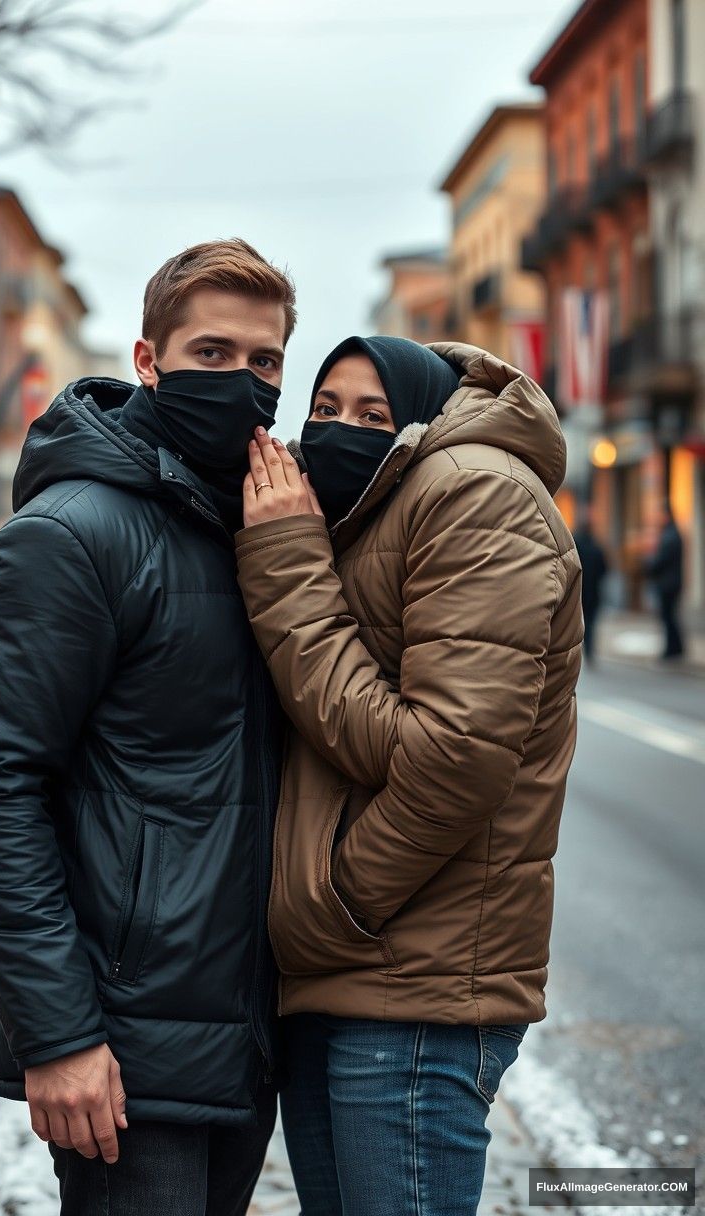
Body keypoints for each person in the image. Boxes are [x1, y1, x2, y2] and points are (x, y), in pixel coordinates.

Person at [0, 239, 296, 1216]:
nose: (243, 381)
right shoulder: (70, 536)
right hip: (120, 1044)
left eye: (264, 362)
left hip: (236, 1028)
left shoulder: (259, 525)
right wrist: (57, 1033)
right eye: (212, 355)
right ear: (147, 360)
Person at [234, 337, 583, 1216]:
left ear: (421, 423)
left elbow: (450, 756)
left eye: (373, 415)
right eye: (325, 409)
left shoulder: (476, 493)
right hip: (346, 970)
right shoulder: (377, 503)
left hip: (409, 988)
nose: (338, 430)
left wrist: (339, 901)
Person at [645, 503, 685, 660]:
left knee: (668, 617)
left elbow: (661, 561)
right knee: (670, 616)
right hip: (671, 582)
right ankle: (676, 647)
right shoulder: (672, 534)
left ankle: (672, 649)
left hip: (668, 584)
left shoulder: (670, 535)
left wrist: (649, 563)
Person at [573, 511, 608, 664]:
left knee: (579, 622)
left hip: (579, 590)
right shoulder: (596, 546)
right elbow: (604, 568)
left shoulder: (575, 544)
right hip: (593, 591)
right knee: (591, 622)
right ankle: (589, 649)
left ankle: (582, 649)